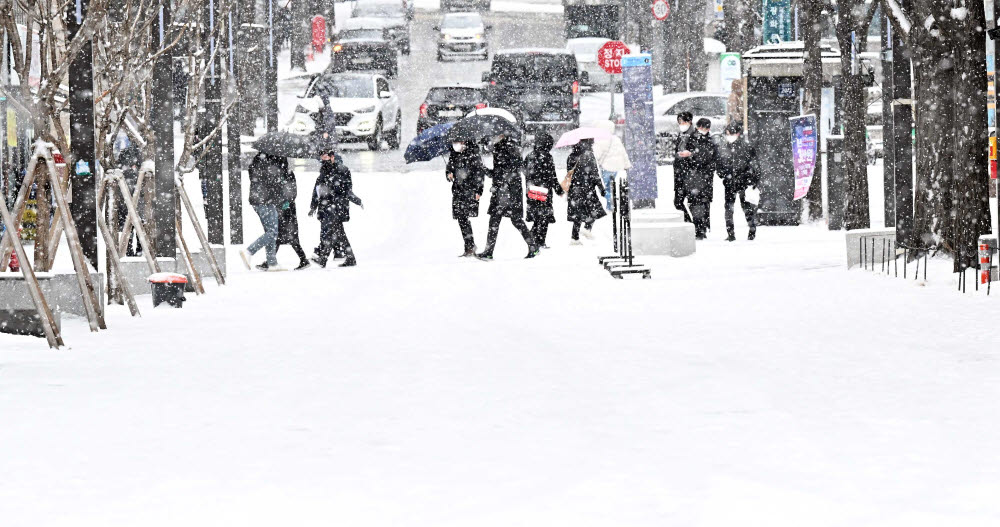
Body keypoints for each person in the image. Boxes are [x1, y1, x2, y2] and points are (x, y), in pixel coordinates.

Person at [477, 134, 538, 260]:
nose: (493, 137)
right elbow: (501, 172)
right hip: (506, 191)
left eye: (495, 135)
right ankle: (489, 251)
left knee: (511, 220)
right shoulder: (505, 148)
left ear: (502, 135)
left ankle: (533, 246)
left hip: (507, 192)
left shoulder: (506, 150)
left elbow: (502, 173)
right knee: (500, 220)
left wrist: (486, 171)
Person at [310, 149, 357, 267]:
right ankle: (350, 258)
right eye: (322, 157)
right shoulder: (324, 171)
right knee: (339, 233)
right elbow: (317, 190)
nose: (323, 159)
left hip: (336, 207)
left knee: (332, 232)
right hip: (328, 207)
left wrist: (331, 189)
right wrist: (313, 206)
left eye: (326, 156)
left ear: (332, 157)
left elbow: (345, 189)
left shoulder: (342, 170)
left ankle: (323, 258)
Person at [241, 153, 286, 270]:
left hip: (260, 200)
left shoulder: (257, 162)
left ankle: (272, 263)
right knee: (272, 232)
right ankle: (249, 251)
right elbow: (272, 184)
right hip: (265, 201)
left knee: (270, 231)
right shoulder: (269, 164)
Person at [717, 122, 759, 241]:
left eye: (731, 133)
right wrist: (723, 174)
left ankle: (752, 231)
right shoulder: (724, 147)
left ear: (738, 134)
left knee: (746, 208)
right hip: (729, 183)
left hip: (743, 183)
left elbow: (755, 166)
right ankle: (731, 234)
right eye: (727, 134)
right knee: (728, 209)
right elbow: (719, 164)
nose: (729, 136)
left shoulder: (747, 148)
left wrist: (751, 180)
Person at [446, 140, 486, 257]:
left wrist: (479, 190)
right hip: (458, 189)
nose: (456, 145)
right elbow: (450, 167)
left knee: (464, 216)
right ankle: (469, 245)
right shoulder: (454, 154)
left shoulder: (473, 154)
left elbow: (479, 173)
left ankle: (470, 246)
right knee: (461, 217)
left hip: (470, 189)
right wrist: (449, 173)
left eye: (458, 142)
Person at [523, 133, 563, 248]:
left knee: (537, 216)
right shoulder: (547, 157)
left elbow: (525, 171)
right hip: (544, 190)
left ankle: (533, 238)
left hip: (532, 190)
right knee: (544, 217)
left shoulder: (529, 155)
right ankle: (540, 241)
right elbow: (552, 176)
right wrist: (558, 190)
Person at [565, 139, 606, 244]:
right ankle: (587, 228)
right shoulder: (589, 156)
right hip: (588, 189)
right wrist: (601, 188)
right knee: (594, 210)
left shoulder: (571, 157)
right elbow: (595, 174)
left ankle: (574, 238)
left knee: (577, 214)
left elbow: (570, 173)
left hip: (574, 189)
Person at [686, 118, 717, 240]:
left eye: (706, 128)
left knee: (704, 202)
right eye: (701, 127)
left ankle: (702, 227)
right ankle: (698, 227)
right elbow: (687, 156)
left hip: (706, 176)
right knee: (694, 202)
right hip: (694, 175)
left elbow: (713, 157)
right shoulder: (691, 139)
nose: (703, 130)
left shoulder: (711, 140)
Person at [592, 120, 631, 211]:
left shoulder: (599, 140)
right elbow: (623, 153)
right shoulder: (616, 139)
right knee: (614, 186)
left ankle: (610, 202)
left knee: (605, 187)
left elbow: (596, 155)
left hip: (606, 167)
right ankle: (613, 201)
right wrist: (627, 165)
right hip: (617, 167)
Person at [276, 168, 310, 270]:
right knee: (278, 235)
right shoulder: (275, 173)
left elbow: (293, 192)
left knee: (286, 235)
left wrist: (286, 202)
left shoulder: (288, 173)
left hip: (287, 209)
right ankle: (303, 259)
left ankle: (270, 261)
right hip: (279, 209)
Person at [673, 111, 695, 223]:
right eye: (679, 122)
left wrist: (690, 154)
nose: (681, 124)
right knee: (678, 201)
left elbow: (699, 153)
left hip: (689, 172)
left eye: (683, 122)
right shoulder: (681, 134)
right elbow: (676, 150)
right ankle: (690, 224)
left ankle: (697, 226)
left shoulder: (694, 134)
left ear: (689, 122)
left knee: (692, 202)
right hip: (679, 170)